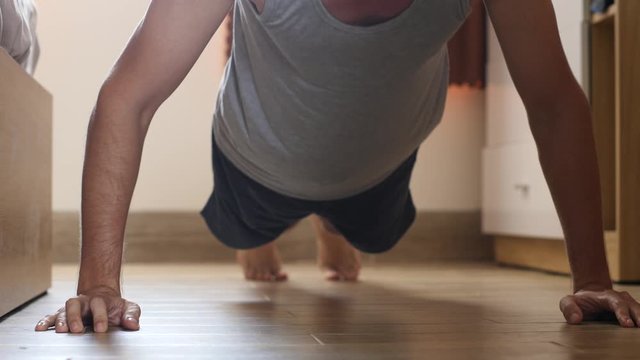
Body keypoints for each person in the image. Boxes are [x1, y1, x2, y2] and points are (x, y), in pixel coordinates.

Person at [35, 0, 640, 334]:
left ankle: (329, 226)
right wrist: (98, 287)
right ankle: (266, 239)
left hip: (380, 165)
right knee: (241, 230)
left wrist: (591, 278)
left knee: (378, 233)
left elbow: (556, 104)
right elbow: (127, 97)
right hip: (257, 160)